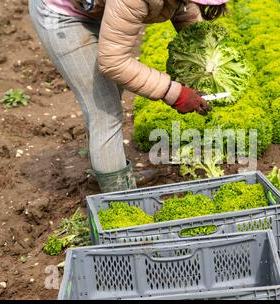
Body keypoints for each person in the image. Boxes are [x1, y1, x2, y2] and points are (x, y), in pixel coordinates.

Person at [28, 0, 227, 192]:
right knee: (105, 112)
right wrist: (175, 93)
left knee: (110, 94)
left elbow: (184, 10)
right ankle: (120, 200)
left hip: (101, 11)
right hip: (63, 16)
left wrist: (204, 61)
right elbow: (113, 63)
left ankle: (112, 173)